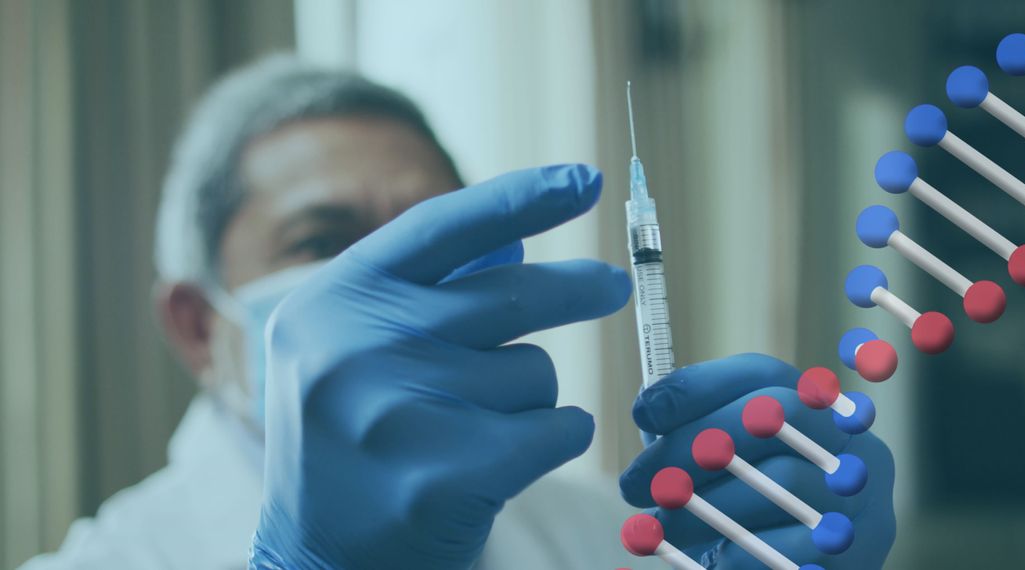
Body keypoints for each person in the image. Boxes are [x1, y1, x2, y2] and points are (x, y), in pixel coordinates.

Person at [22, 56, 896, 570]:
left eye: (420, 236)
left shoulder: (602, 535)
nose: (388, 284)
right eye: (322, 240)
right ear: (195, 325)